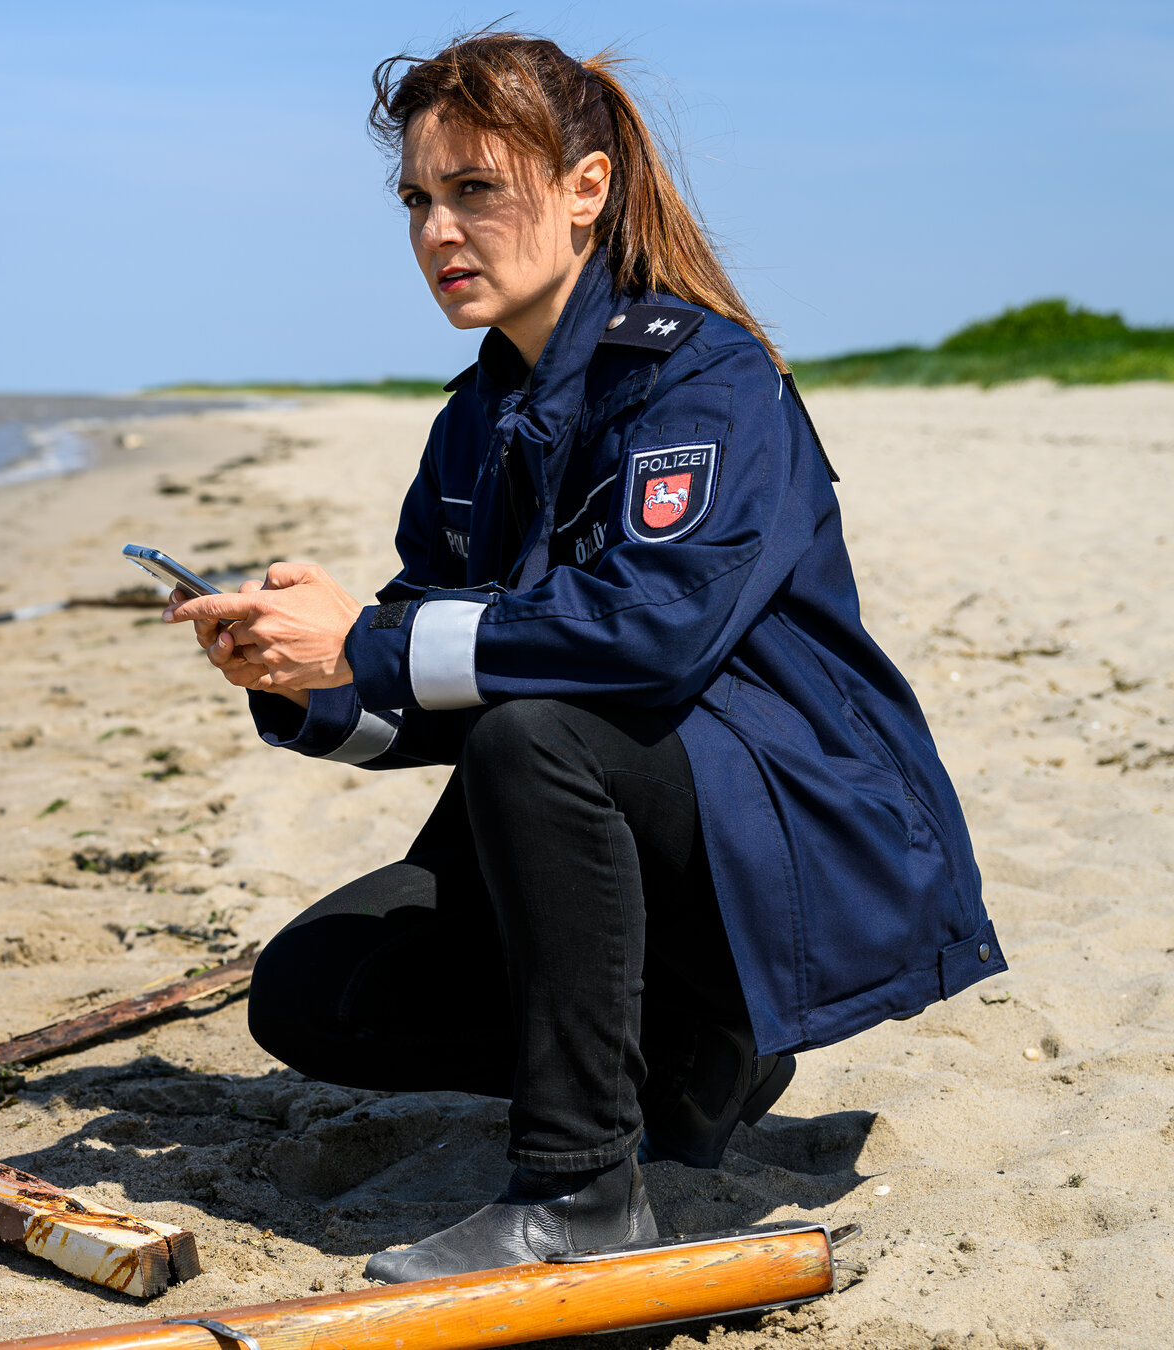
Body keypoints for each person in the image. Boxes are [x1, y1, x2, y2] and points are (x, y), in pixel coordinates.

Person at [165, 31, 1001, 1284]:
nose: (439, 231)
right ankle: (690, 1059)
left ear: (584, 189)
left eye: (475, 189)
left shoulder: (704, 377)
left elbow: (649, 637)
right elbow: (442, 674)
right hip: (614, 820)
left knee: (534, 735)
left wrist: (370, 640)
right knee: (312, 993)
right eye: (417, 199)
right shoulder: (474, 420)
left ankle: (578, 1190)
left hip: (791, 832)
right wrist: (310, 681)